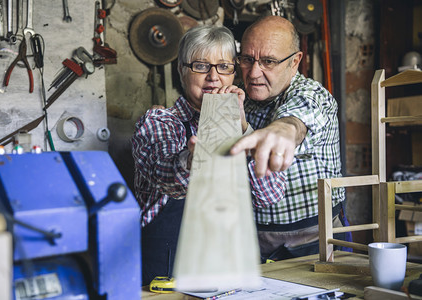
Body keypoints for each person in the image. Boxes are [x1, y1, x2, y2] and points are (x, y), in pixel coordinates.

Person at [131, 24, 287, 286]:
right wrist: (193, 160)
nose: (214, 77)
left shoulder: (243, 127)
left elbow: (270, 196)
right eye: (201, 65)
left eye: (224, 66)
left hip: (228, 264)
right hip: (167, 269)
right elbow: (165, 176)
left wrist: (243, 129)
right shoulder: (160, 121)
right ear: (183, 70)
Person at [230, 15, 350, 261]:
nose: (253, 72)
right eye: (247, 59)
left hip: (313, 241)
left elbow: (297, 118)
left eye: (268, 61)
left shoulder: (314, 95)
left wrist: (283, 130)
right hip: (250, 242)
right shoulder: (240, 97)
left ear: (294, 62)